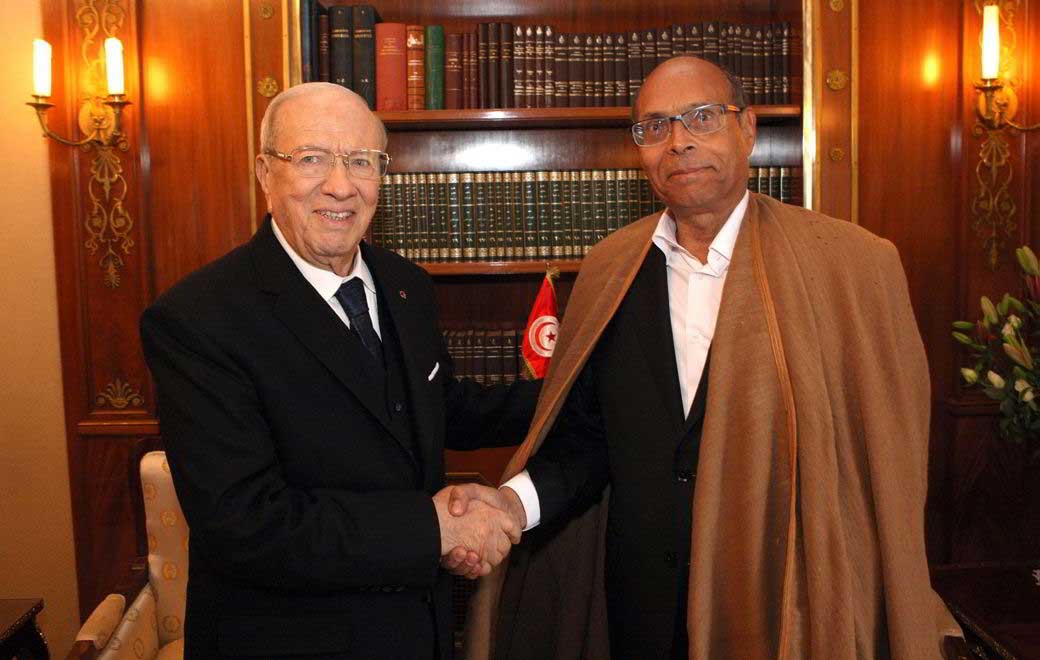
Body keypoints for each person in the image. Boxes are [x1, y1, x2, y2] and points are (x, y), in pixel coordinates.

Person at [452, 56, 962, 659]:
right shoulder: (611, 269)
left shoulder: (849, 266)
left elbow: (883, 459)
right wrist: (513, 504)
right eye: (655, 126)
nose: (679, 141)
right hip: (637, 611)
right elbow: (589, 439)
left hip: (782, 607)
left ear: (747, 128)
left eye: (702, 117)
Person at [139, 82, 538, 660]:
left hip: (418, 632)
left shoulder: (406, 285)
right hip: (287, 641)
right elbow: (244, 523)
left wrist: (573, 389)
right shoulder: (198, 319)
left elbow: (435, 408)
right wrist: (433, 529)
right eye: (312, 158)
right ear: (265, 173)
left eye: (361, 161)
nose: (341, 185)